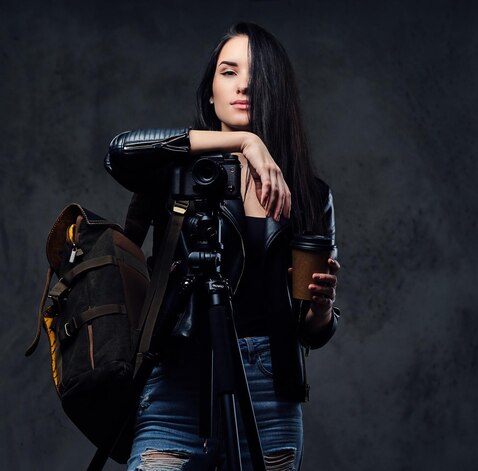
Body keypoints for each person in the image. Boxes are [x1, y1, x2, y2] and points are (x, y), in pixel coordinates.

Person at [104, 22, 340, 471]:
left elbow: (313, 330)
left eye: (256, 75)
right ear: (211, 91)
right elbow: (118, 151)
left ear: (276, 92)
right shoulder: (176, 172)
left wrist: (322, 308)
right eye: (228, 72)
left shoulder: (310, 193)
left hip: (270, 389)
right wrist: (244, 141)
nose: (242, 85)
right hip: (176, 379)